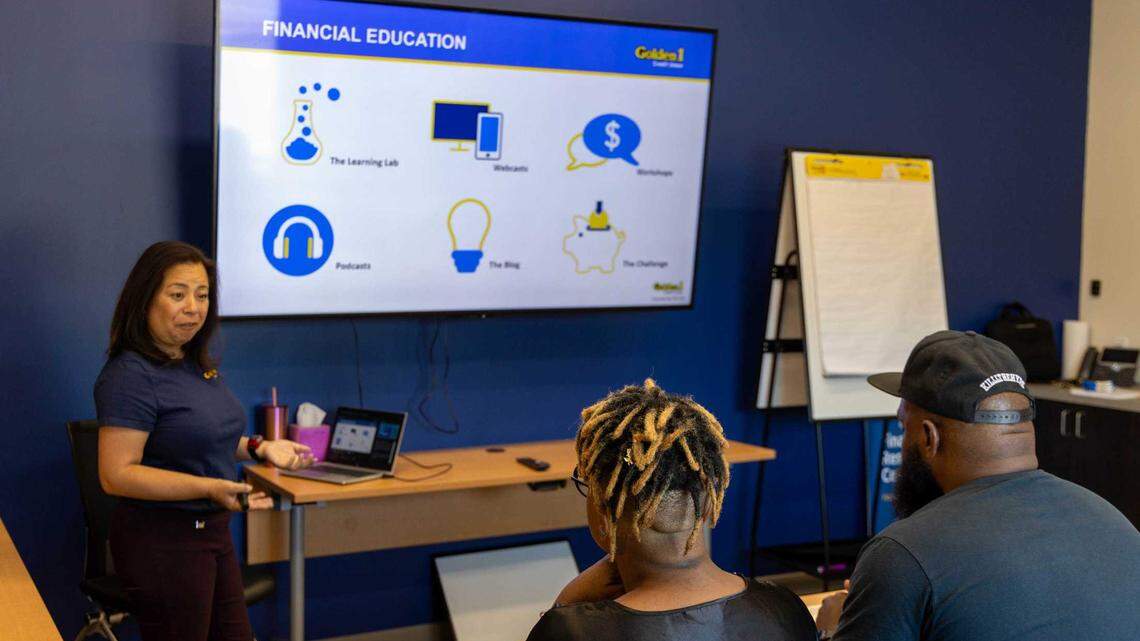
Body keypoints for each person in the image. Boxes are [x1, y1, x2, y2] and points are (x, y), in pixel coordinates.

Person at [815, 330, 1140, 640]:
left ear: (929, 437)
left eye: (904, 426)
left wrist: (833, 628)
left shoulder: (903, 554)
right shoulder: (1117, 525)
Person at [95, 241, 315, 641]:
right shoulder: (130, 375)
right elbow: (116, 475)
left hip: (209, 533)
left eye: (202, 295)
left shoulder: (191, 363)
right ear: (145, 299)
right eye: (177, 295)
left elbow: (203, 438)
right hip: (163, 542)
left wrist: (260, 448)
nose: (193, 308)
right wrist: (210, 487)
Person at [526, 379, 816, 641]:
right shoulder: (787, 609)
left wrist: (564, 606)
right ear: (708, 500)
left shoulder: (571, 631)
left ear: (603, 505)